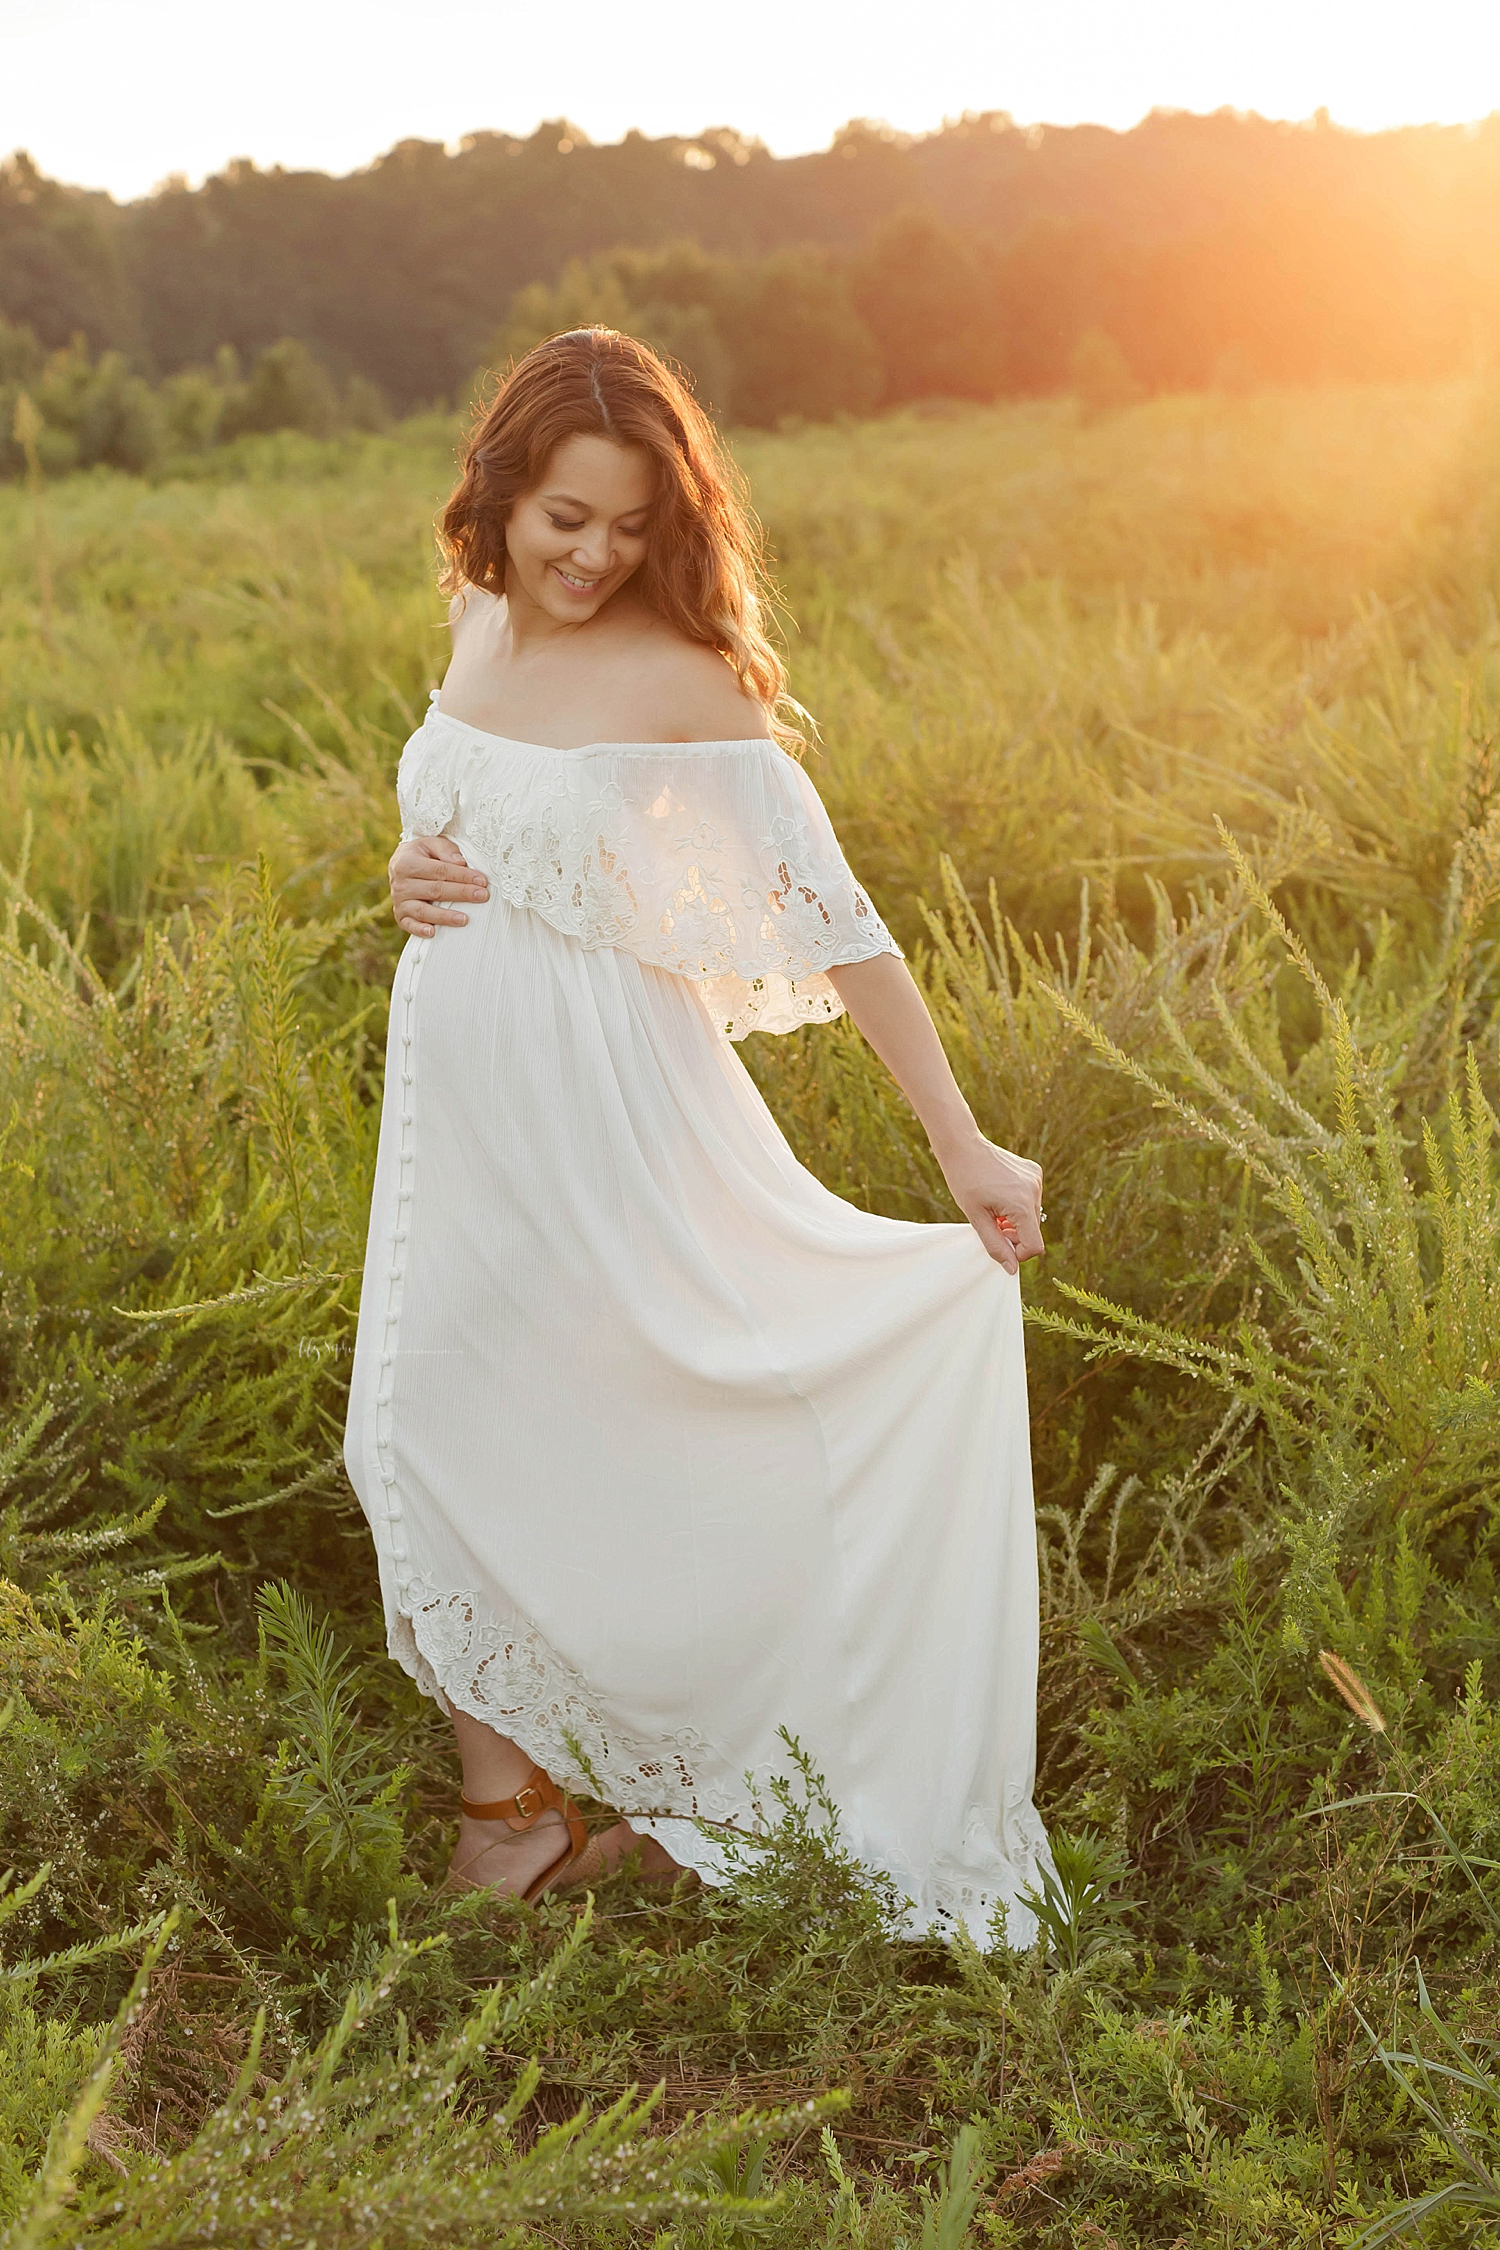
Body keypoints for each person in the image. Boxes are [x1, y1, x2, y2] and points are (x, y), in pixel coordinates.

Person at [346, 327, 1051, 1935]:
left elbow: (839, 921)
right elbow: (453, 825)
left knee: (613, 1423)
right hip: (461, 1101)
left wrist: (958, 1142)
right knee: (417, 1433)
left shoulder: (687, 683)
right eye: (565, 517)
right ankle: (517, 1811)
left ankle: (586, 1800)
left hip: (606, 1097)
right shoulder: (468, 628)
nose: (594, 554)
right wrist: (403, 875)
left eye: (631, 525)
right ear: (500, 494)